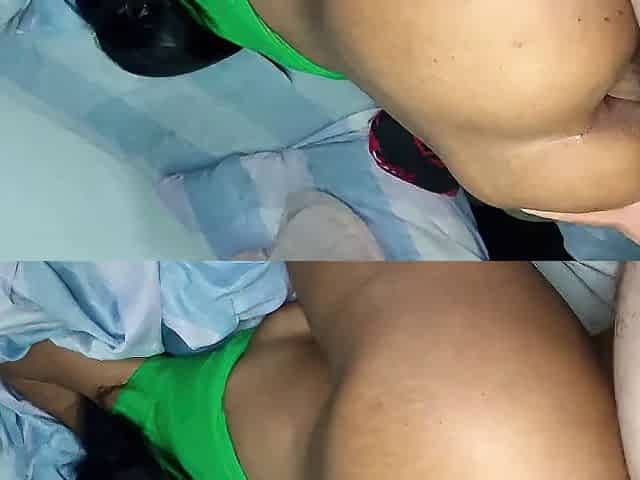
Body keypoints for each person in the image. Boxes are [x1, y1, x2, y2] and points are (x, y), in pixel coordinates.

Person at [0, 262, 629, 479]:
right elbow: (29, 366)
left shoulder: (152, 405)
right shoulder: (145, 400)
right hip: (458, 431)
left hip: (462, 430)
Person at [75, 0, 640, 219]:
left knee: (522, 197)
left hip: (493, 60)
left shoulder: (225, 31)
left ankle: (424, 134)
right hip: (495, 58)